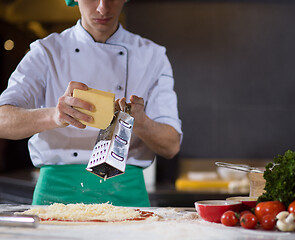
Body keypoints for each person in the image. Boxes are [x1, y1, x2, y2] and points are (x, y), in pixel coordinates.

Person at [0, 0, 182, 207]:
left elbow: (171, 145)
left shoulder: (152, 56)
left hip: (127, 194)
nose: (103, 8)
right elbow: (2, 120)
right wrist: (54, 116)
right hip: (56, 194)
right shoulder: (46, 51)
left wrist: (140, 121)